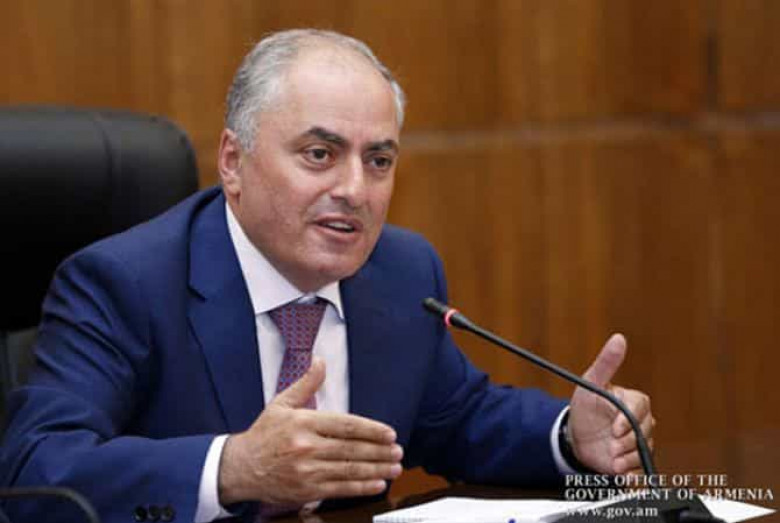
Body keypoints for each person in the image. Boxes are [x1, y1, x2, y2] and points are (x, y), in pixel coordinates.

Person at [0, 29, 654, 523]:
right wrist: (233, 468)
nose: (354, 189)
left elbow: (457, 418)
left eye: (379, 160)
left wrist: (570, 436)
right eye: (320, 154)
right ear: (233, 161)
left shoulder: (401, 271)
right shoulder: (123, 283)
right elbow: (35, 473)